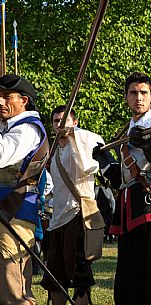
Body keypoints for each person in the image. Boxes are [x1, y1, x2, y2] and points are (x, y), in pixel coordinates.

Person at [93, 72, 151, 305]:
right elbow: (123, 179)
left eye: (144, 93)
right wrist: (104, 162)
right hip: (129, 210)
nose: (139, 98)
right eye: (133, 93)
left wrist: (149, 143)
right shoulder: (129, 129)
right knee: (128, 286)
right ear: (126, 97)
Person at [40, 105, 104, 305]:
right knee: (55, 280)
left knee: (80, 281)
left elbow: (94, 153)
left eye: (64, 120)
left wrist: (73, 133)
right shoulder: (54, 151)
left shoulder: (84, 142)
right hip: (57, 219)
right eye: (56, 121)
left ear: (74, 122)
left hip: (77, 217)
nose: (60, 124)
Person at [0, 75, 48, 305]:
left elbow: (1, 155)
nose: (0, 102)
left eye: (7, 97)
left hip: (14, 214)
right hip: (6, 215)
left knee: (14, 292)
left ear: (24, 100)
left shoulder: (28, 129)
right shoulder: (8, 128)